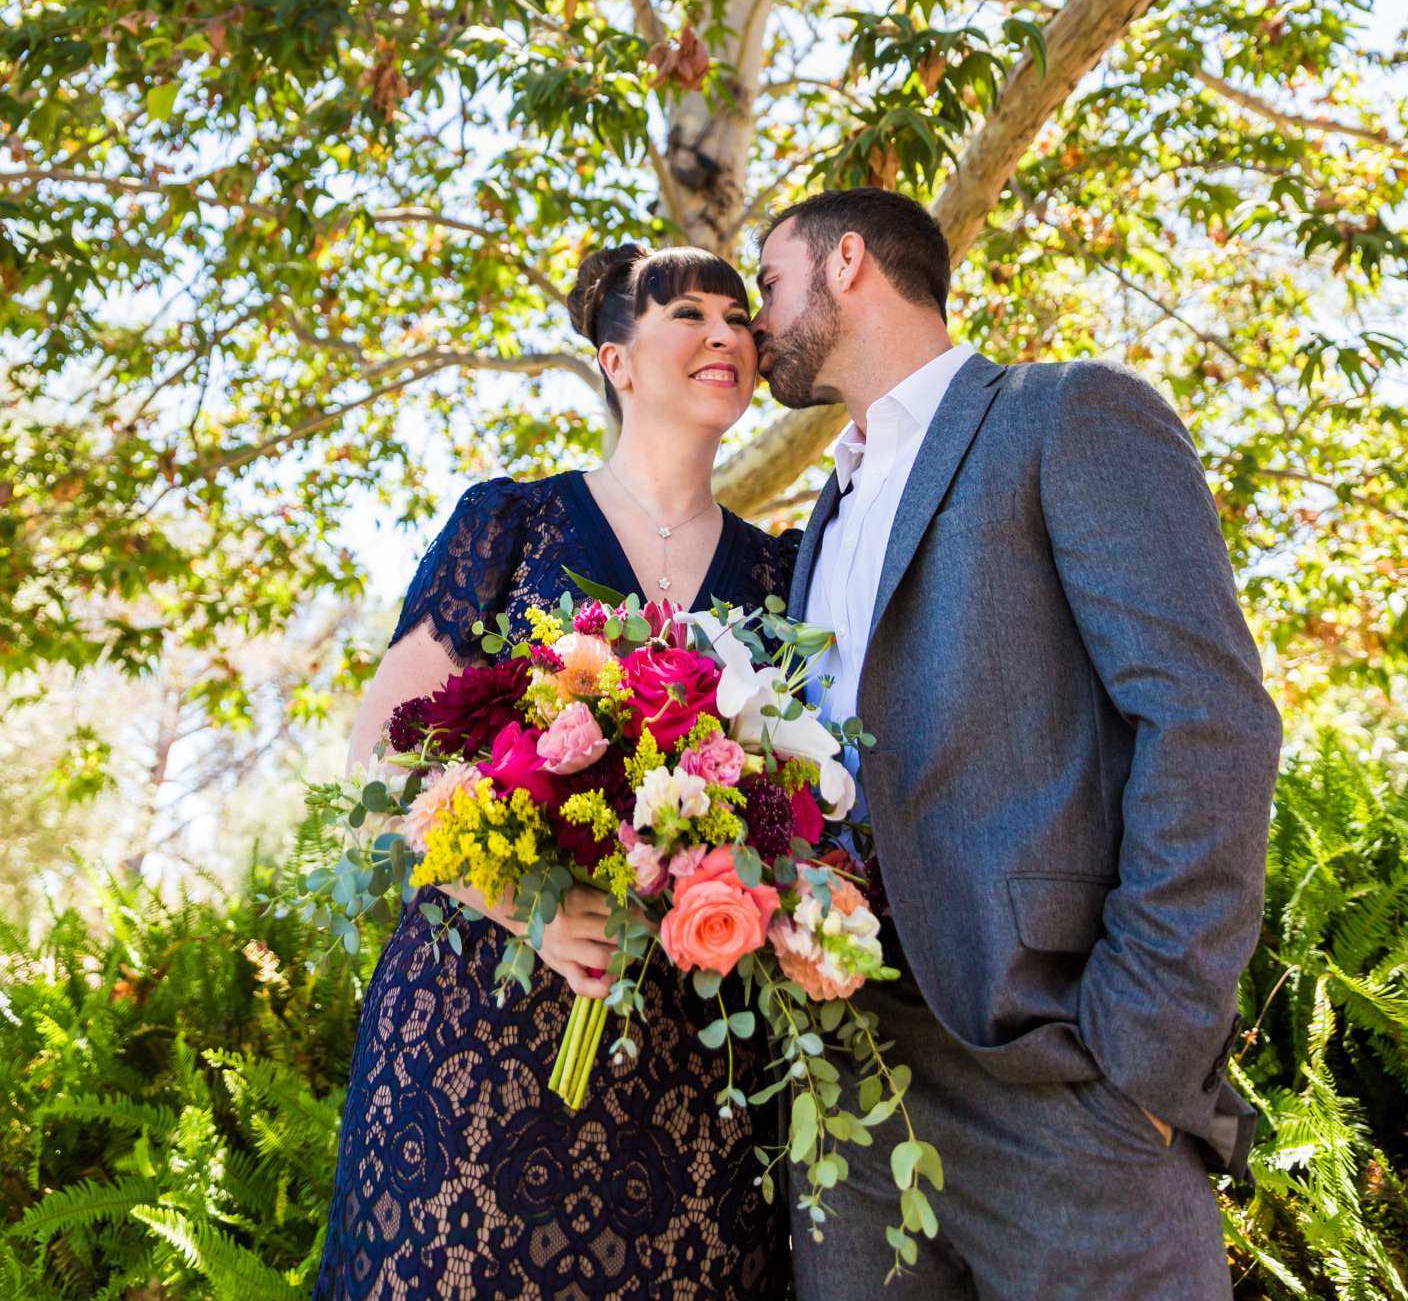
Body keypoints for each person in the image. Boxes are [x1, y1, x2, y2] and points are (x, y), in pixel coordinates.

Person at [752, 185, 1283, 1301]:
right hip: (850, 1084)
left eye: (767, 282)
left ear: (846, 262)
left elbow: (1207, 718)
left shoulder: (1065, 415)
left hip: (1055, 1069)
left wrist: (1139, 1051)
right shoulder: (821, 520)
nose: (754, 323)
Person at [312, 240, 799, 1301]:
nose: (726, 335)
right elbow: (379, 755)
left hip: (690, 1056)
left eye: (738, 317)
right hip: (474, 1023)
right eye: (689, 315)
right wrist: (521, 903)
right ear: (616, 361)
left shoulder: (782, 572)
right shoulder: (508, 521)